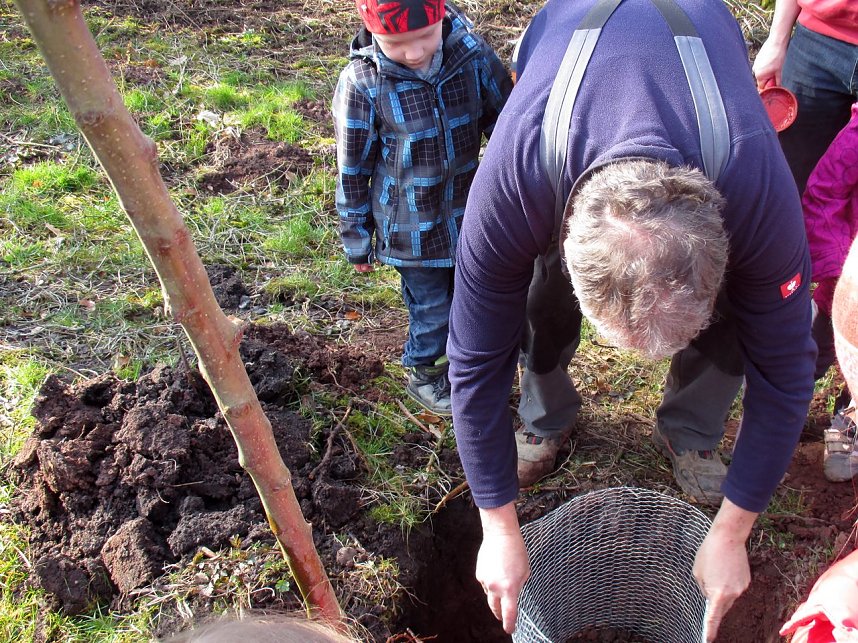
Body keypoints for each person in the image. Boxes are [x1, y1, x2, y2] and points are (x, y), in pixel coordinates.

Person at [446, 0, 816, 640]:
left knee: (746, 320)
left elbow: (786, 374)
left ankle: (689, 430)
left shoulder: (758, 188)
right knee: (534, 300)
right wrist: (497, 525)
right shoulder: (516, 173)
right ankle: (546, 415)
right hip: (571, 28)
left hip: (700, 27)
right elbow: (475, 358)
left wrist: (733, 531)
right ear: (565, 243)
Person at [332, 0, 512, 416]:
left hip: (471, 214)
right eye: (396, 43)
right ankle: (425, 374)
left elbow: (506, 123)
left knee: (477, 296)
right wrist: (356, 235)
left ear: (441, 18)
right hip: (410, 226)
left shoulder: (471, 57)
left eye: (425, 37)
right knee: (432, 307)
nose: (414, 53)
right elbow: (352, 166)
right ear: (372, 31)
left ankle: (474, 367)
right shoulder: (363, 81)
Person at [752, 0, 858, 427]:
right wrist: (778, 38)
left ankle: (850, 407)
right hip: (817, 43)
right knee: (790, 210)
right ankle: (787, 379)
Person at [803, 103, 858, 481]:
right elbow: (824, 197)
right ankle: (781, 411)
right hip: (845, 289)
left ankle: (849, 417)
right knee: (811, 353)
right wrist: (841, 272)